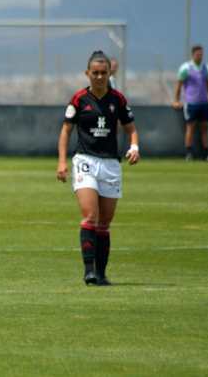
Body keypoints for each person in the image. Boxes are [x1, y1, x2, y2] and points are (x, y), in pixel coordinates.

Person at [57, 50, 140, 286]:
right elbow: (66, 132)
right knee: (90, 216)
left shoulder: (118, 100)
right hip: (85, 161)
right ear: (87, 73)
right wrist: (62, 161)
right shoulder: (78, 100)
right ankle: (88, 271)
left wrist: (134, 147)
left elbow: (131, 129)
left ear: (110, 73)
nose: (100, 77)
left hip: (111, 164)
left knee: (105, 222)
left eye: (104, 72)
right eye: (95, 73)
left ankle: (101, 274)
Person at [173, 45, 208, 162]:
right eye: (198, 55)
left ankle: (206, 153)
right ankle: (189, 153)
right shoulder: (186, 68)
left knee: (205, 127)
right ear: (193, 55)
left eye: (201, 55)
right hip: (191, 103)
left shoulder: (206, 68)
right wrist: (176, 100)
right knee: (190, 127)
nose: (200, 57)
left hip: (204, 103)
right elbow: (178, 84)